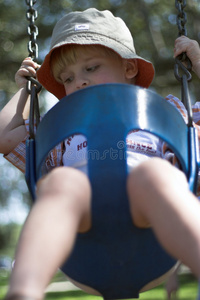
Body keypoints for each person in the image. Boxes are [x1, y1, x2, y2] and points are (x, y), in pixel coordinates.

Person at [1, 8, 200, 300]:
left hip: (155, 233)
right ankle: (24, 291)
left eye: (91, 68)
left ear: (129, 68)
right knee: (61, 182)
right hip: (85, 239)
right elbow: (6, 137)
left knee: (153, 174)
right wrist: (25, 93)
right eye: (67, 79)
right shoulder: (62, 133)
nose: (78, 82)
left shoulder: (169, 112)